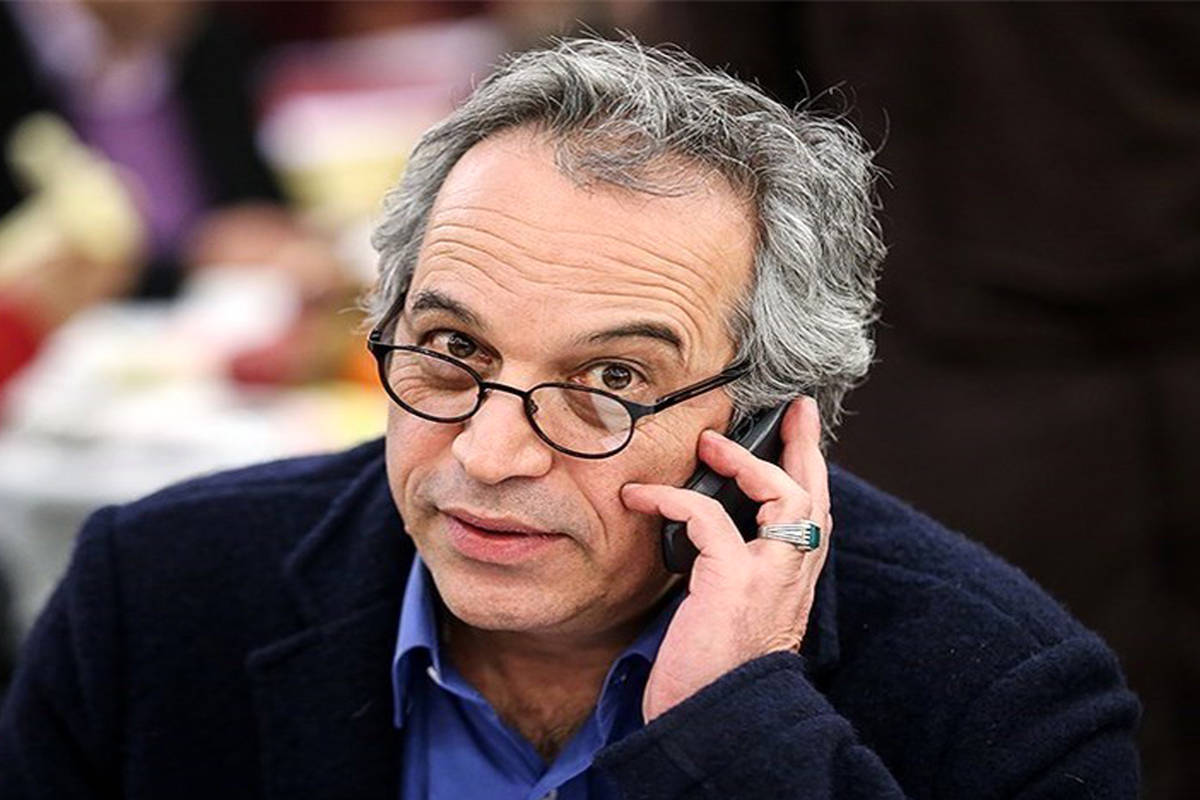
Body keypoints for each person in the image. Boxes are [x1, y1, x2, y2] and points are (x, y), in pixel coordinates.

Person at [0, 37, 1139, 798]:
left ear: (761, 421)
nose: (490, 454)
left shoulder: (1003, 700)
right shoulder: (152, 593)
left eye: (612, 381)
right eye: (453, 350)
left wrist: (736, 732)